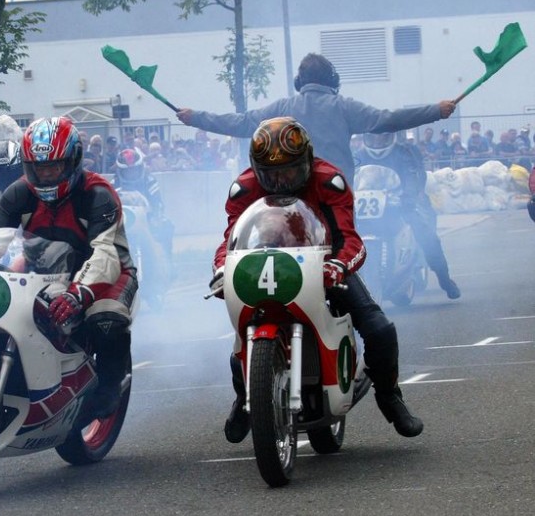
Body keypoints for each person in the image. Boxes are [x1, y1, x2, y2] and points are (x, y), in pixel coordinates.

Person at [209, 117, 423, 442]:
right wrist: (222, 270)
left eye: (290, 171)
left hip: (324, 263)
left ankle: (389, 395)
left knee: (379, 328)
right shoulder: (244, 188)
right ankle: (245, 396)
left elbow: (352, 240)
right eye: (271, 174)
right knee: (242, 328)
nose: (280, 180)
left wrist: (337, 265)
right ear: (257, 168)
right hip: (264, 266)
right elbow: (230, 240)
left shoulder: (329, 181)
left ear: (306, 161)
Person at [0, 116, 138, 420]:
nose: (45, 175)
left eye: (53, 167)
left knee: (105, 320)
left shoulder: (97, 194)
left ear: (72, 162)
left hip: (109, 274)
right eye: (38, 167)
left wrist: (77, 294)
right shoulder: (18, 194)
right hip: (44, 269)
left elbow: (106, 254)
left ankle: (111, 385)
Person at [176, 53, 457, 186]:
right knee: (348, 250)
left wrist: (195, 118)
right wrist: (435, 110)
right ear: (332, 80)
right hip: (336, 190)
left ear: (300, 81)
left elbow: (240, 123)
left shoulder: (284, 107)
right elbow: (388, 119)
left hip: (291, 192)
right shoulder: (343, 106)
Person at [357, 132, 460, 299]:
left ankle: (445, 280)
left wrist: (409, 196)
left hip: (398, 205)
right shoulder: (359, 155)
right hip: (365, 208)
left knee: (427, 236)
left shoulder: (403, 153)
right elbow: (348, 175)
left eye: (382, 137)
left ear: (390, 137)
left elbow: (413, 175)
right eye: (373, 138)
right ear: (365, 139)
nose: (377, 142)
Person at [114, 147, 174, 259]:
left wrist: (157, 217)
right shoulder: (113, 184)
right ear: (120, 171)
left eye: (134, 170)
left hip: (147, 218)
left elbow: (158, 203)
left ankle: (168, 261)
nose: (131, 174)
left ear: (141, 168)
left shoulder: (149, 181)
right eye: (127, 171)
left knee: (166, 226)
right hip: (122, 222)